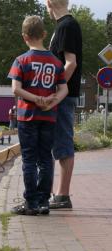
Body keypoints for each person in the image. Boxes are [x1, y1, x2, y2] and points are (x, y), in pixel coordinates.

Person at [8, 15, 68, 215]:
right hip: (49, 117)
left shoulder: (21, 60)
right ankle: (43, 202)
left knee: (29, 159)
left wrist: (35, 99)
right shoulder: (56, 62)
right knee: (45, 159)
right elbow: (64, 90)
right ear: (44, 34)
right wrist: (51, 101)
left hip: (27, 117)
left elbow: (16, 89)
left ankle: (31, 203)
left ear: (24, 36)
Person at [46, 0, 82, 209]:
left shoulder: (66, 26)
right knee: (58, 142)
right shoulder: (65, 25)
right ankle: (57, 193)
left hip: (63, 97)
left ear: (50, 2)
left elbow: (71, 62)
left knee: (62, 142)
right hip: (63, 95)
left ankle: (62, 195)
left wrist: (56, 91)